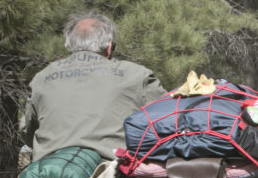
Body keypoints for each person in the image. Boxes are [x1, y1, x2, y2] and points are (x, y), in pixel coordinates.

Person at [24, 11, 166, 161]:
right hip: (109, 175)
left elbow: (28, 133)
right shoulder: (137, 75)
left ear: (70, 46)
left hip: (47, 175)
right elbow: (168, 121)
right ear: (109, 47)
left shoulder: (42, 78)